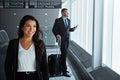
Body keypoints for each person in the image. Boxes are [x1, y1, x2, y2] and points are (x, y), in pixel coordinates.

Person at [5, 15, 49, 80]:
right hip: (18, 77)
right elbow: (8, 65)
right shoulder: (13, 44)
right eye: (28, 26)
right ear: (22, 27)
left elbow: (44, 66)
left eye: (34, 26)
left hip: (35, 77)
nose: (31, 29)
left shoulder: (40, 44)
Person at [52, 8, 77, 77]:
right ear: (62, 13)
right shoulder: (58, 20)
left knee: (64, 55)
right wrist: (57, 34)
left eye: (68, 12)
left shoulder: (68, 20)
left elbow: (68, 29)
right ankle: (64, 71)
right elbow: (54, 29)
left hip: (67, 40)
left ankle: (62, 68)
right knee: (64, 54)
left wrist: (72, 29)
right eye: (66, 12)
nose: (68, 13)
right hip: (61, 40)